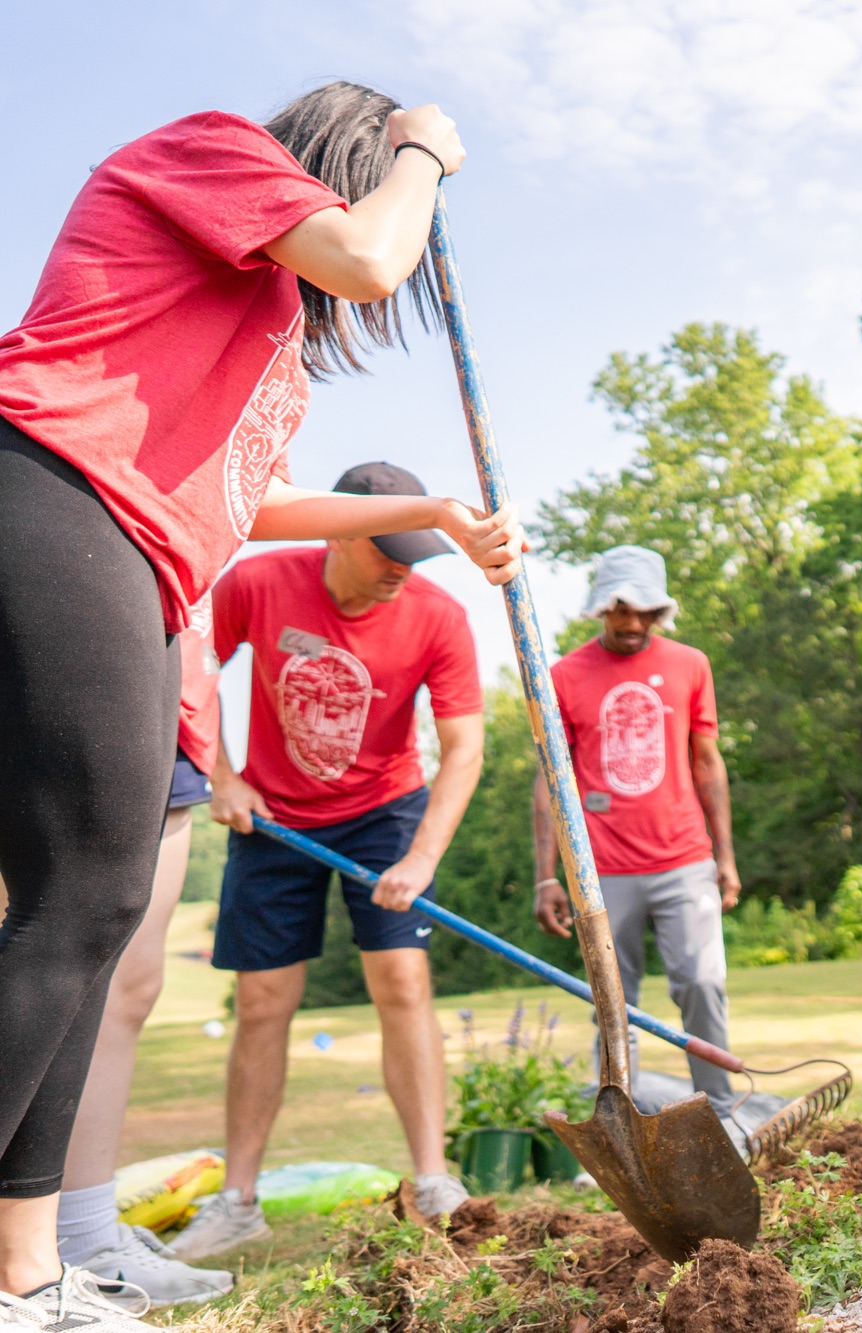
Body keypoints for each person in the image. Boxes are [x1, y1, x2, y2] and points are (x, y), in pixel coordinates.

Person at [0, 81, 522, 1326]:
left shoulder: (259, 303)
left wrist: (428, 511)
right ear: (344, 157)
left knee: (93, 901)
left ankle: (26, 1273)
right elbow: (371, 254)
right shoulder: (214, 152)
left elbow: (261, 499)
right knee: (87, 896)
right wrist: (425, 155)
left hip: (123, 537)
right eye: (374, 164)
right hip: (55, 497)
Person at [163, 463, 487, 1260]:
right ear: (341, 529)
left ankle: (434, 1178)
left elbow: (466, 746)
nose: (401, 571)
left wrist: (421, 856)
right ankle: (238, 1199)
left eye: (417, 554)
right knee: (265, 1001)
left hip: (386, 812)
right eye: (389, 551)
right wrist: (224, 773)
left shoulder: (437, 617)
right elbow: (193, 663)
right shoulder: (261, 580)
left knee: (403, 982)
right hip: (273, 816)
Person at [47, 602, 234, 1306]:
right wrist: (436, 513)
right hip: (90, 674)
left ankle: (84, 1229)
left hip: (175, 705)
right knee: (49, 967)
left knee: (130, 987)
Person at [534, 546, 741, 1102]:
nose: (631, 624)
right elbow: (550, 780)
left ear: (659, 612)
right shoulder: (563, 675)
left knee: (701, 983)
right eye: (620, 610)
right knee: (613, 1002)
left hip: (684, 860)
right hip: (602, 870)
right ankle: (622, 1121)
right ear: (601, 607)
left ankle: (722, 1112)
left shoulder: (690, 664)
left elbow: (706, 762)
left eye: (643, 611)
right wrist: (545, 874)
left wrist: (725, 857)